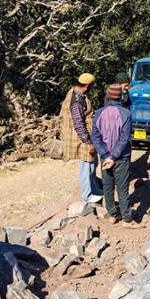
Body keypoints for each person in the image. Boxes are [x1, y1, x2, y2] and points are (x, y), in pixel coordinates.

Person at [92, 84, 144, 229]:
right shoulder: (125, 114)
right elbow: (124, 138)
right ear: (121, 96)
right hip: (121, 157)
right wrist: (114, 157)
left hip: (105, 158)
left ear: (107, 96)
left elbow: (95, 138)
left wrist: (106, 155)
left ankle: (113, 215)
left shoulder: (99, 113)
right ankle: (127, 219)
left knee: (108, 186)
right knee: (122, 187)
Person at [59, 73, 103, 203]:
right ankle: (87, 195)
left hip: (87, 136)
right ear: (88, 85)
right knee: (86, 166)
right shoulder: (77, 102)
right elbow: (78, 124)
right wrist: (88, 142)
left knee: (93, 163)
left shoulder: (78, 94)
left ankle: (93, 188)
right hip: (83, 138)